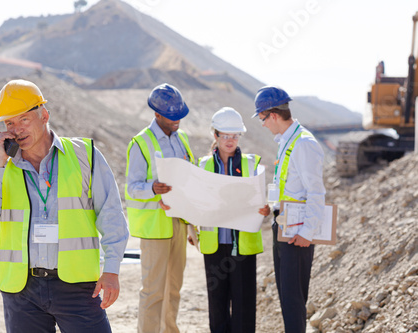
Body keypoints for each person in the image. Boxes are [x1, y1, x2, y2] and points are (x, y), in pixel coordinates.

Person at [0, 79, 129, 333]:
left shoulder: (85, 155)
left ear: (44, 115)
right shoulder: (3, 167)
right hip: (22, 291)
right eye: (9, 123)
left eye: (24, 120)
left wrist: (112, 270)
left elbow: (111, 215)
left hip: (77, 285)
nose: (16, 129)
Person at [252, 86, 326, 333]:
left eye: (262, 118)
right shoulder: (287, 141)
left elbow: (316, 192)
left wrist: (307, 232)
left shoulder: (304, 143)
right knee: (286, 295)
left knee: (294, 299)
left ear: (273, 115)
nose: (262, 124)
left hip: (297, 233)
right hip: (283, 224)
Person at [189, 107, 270, 333]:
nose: (231, 140)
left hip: (242, 246)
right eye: (226, 135)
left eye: (235, 136)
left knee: (244, 304)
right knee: (217, 304)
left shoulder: (251, 164)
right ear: (215, 135)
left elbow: (262, 199)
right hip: (214, 245)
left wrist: (266, 209)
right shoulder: (204, 165)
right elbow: (196, 202)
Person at [125, 83, 195, 333]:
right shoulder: (140, 143)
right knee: (154, 290)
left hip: (179, 222)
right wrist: (152, 189)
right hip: (155, 227)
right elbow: (132, 187)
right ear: (157, 114)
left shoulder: (182, 139)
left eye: (180, 115)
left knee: (174, 288)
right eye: (172, 116)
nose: (177, 121)